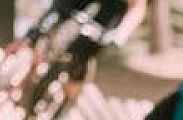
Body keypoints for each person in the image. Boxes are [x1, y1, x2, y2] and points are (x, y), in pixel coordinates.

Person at [16, 0, 148, 107]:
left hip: (113, 6)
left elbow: (138, 7)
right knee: (51, 18)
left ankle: (70, 91)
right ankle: (25, 73)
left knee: (85, 46)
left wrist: (120, 35)